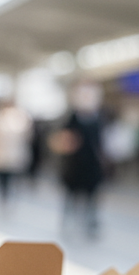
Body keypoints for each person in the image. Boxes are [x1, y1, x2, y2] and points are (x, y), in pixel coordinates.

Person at [53, 82, 106, 236]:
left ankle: (91, 223)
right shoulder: (71, 119)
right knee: (70, 197)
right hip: (73, 166)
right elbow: (62, 141)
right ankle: (67, 221)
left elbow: (101, 143)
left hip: (92, 166)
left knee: (91, 198)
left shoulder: (98, 119)